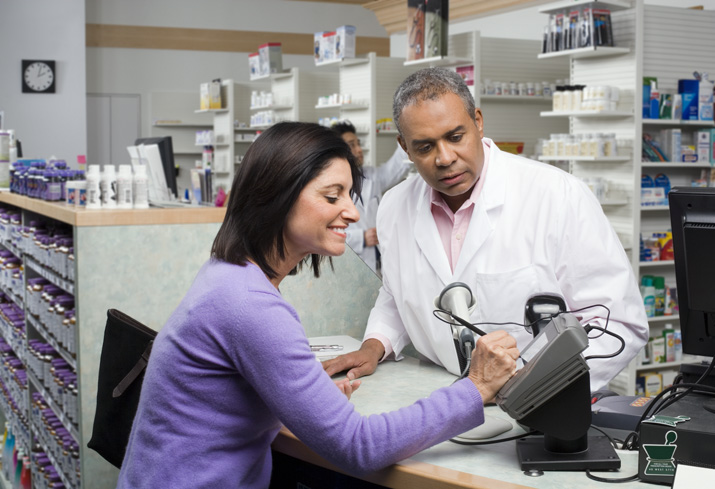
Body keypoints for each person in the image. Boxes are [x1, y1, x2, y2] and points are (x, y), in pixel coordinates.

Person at [117, 122, 519, 488]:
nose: (353, 212)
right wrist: (475, 388)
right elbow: (358, 447)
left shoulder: (227, 273)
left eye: (349, 194)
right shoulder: (248, 305)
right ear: (277, 196)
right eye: (332, 196)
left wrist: (303, 398)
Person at [323, 68, 649, 391]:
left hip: (541, 403)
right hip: (444, 396)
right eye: (424, 147)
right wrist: (375, 344)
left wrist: (532, 389)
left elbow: (615, 323)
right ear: (405, 148)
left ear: (478, 122)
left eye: (455, 137)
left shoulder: (557, 195)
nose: (445, 158)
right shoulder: (395, 206)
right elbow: (397, 295)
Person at [332, 121, 411, 273]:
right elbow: (324, 234)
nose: (359, 150)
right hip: (350, 264)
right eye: (351, 145)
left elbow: (396, 167)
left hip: (378, 258)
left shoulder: (371, 176)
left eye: (358, 144)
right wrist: (361, 237)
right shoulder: (331, 188)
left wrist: (408, 134)